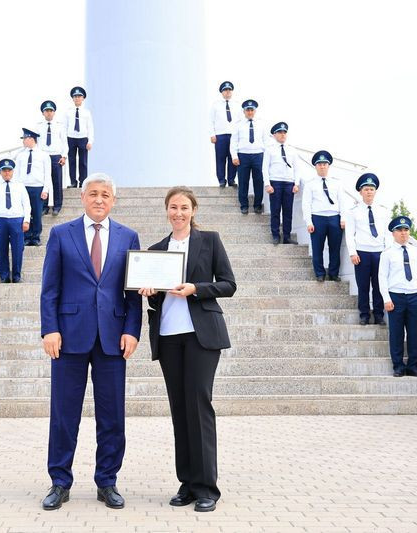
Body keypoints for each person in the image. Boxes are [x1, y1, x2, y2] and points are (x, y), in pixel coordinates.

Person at [40, 173, 142, 511]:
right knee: (64, 413)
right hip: (68, 336)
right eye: (94, 194)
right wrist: (49, 329)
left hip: (113, 337)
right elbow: (50, 288)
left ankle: (107, 481)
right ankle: (60, 482)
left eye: (105, 195)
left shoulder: (128, 236)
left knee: (112, 414)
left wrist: (132, 330)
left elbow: (132, 293)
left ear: (113, 201)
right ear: (83, 198)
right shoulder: (61, 234)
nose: (99, 199)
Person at [138, 186, 236, 513]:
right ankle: (187, 483)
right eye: (173, 207)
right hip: (168, 336)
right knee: (179, 409)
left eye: (184, 207)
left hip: (200, 336)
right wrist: (149, 292)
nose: (178, 213)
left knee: (199, 406)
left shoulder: (209, 241)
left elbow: (228, 284)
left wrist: (196, 288)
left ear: (193, 210)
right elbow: (155, 296)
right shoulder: (156, 250)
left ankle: (207, 487)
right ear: (166, 210)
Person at [378, 217, 417, 377]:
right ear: (393, 233)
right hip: (396, 296)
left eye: (406, 230)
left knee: (415, 332)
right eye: (400, 230)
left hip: (414, 295)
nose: (403, 233)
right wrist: (386, 298)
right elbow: (382, 277)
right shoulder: (387, 254)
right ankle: (398, 366)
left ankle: (413, 366)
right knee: (396, 333)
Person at [345, 173, 390, 325]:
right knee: (363, 286)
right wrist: (352, 253)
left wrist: (387, 252)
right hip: (362, 253)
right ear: (360, 192)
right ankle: (364, 314)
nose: (369, 192)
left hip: (379, 253)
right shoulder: (353, 211)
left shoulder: (383, 211)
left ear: (375, 191)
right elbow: (350, 234)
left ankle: (378, 314)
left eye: (371, 189)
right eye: (366, 189)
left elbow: (387, 234)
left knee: (379, 285)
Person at [302, 150, 346, 280]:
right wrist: (309, 222)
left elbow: (342, 202)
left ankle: (333, 273)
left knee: (335, 248)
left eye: (324, 164)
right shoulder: (310, 184)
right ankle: (320, 273)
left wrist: (343, 218)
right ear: (315, 166)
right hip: (317, 217)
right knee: (317, 248)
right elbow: (306, 204)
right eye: (319, 164)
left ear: (328, 165)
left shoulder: (337, 183)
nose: (322, 166)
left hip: (334, 218)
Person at [0, 159, 31, 283]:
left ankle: (16, 275)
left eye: (9, 170)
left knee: (18, 249)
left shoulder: (19, 185)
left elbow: (26, 203)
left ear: (12, 171)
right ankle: (4, 275)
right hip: (0, 220)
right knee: (2, 248)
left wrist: (26, 220)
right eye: (4, 170)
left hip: (17, 220)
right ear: (0, 172)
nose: (7, 173)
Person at [263, 122, 303, 244]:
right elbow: (265, 168)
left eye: (284, 132)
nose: (283, 135)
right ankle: (275, 235)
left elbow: (297, 168)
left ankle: (287, 236)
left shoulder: (292, 150)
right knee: (275, 210)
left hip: (289, 183)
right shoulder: (269, 149)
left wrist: (296, 183)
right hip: (275, 182)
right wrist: (267, 184)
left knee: (288, 211)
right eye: (280, 132)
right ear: (274, 135)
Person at [13, 128, 52, 246]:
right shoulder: (20, 156)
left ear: (31, 139)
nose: (23, 141)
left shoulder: (43, 155)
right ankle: (26, 236)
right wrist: (16, 189)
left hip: (37, 187)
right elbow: (17, 174)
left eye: (24, 138)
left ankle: (35, 237)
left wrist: (45, 190)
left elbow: (47, 174)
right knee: (25, 213)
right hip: (23, 187)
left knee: (37, 213)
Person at [230, 99, 264, 215]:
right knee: (243, 181)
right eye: (247, 110)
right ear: (244, 111)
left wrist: (265, 156)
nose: (250, 112)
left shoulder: (261, 124)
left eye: (252, 110)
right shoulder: (238, 125)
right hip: (243, 155)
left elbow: (266, 141)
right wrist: (234, 156)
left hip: (258, 155)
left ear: (255, 111)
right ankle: (244, 205)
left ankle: (257, 205)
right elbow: (234, 141)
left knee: (258, 181)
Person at [38, 100, 67, 215]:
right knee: (44, 182)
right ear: (43, 113)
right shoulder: (38, 127)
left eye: (51, 111)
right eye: (46, 111)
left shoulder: (60, 126)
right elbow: (36, 142)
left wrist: (64, 156)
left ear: (54, 112)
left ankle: (57, 206)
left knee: (57, 182)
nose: (49, 113)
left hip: (56, 156)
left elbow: (64, 142)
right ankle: (44, 207)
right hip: (43, 156)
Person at [209, 81, 241, 188]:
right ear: (222, 92)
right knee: (220, 158)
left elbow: (240, 121)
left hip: (234, 135)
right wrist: (212, 134)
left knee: (233, 157)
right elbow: (211, 121)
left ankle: (231, 179)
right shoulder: (216, 105)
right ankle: (222, 180)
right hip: (220, 135)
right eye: (225, 90)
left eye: (229, 90)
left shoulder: (237, 105)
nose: (227, 92)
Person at [63, 86, 94, 188]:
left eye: (79, 96)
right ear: (72, 98)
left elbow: (90, 127)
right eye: (75, 96)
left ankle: (83, 182)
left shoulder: (86, 112)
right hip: (71, 138)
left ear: (83, 98)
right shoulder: (68, 112)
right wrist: (64, 141)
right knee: (72, 161)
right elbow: (64, 127)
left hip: (83, 138)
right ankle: (73, 182)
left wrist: (90, 141)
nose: (77, 98)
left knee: (83, 162)